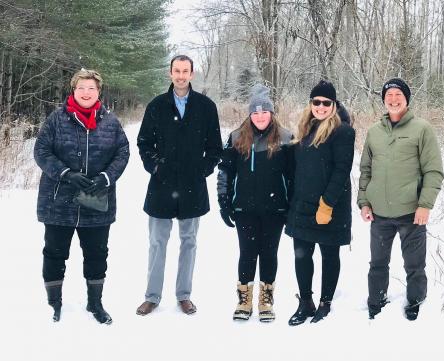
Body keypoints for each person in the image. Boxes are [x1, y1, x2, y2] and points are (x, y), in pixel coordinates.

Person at [34, 68, 130, 324]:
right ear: (73, 90)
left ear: (98, 92)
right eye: (81, 88)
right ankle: (54, 303)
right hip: (58, 201)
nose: (86, 93)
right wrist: (65, 173)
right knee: (54, 253)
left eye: (91, 88)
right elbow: (41, 151)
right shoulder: (57, 119)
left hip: (96, 201)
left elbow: (123, 153)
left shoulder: (110, 121)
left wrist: (106, 178)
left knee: (97, 254)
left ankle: (95, 303)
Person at [136, 55, 223, 316]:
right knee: (157, 243)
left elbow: (215, 148)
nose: (181, 76)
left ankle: (184, 295)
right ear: (170, 73)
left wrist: (202, 170)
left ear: (192, 74)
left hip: (192, 186)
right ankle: (152, 296)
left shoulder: (206, 107)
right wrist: (156, 167)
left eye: (186, 71)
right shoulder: (157, 106)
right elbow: (143, 143)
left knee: (189, 242)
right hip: (161, 186)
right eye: (177, 71)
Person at [357, 78, 443, 321]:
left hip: (411, 213)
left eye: (398, 95)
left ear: (406, 99)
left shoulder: (422, 129)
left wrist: (425, 204)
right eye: (389, 96)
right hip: (380, 214)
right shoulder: (374, 132)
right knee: (377, 264)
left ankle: (415, 302)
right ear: (383, 100)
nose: (393, 100)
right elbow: (365, 170)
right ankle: (376, 302)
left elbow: (433, 170)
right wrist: (364, 201)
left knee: (414, 266)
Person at [217, 84, 293, 322]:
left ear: (272, 113)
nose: (260, 116)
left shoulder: (286, 138)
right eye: (255, 112)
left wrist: (293, 206)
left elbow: (294, 176)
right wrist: (224, 200)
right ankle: (244, 298)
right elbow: (225, 172)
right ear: (250, 114)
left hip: (275, 209)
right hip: (244, 209)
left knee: (269, 253)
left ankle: (266, 298)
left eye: (264, 112)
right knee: (247, 253)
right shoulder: (237, 137)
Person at [285, 80, 355, 326]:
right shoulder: (305, 129)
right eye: (317, 102)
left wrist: (327, 204)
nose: (321, 106)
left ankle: (325, 303)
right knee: (302, 255)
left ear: (334, 105)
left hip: (330, 205)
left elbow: (341, 170)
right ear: (311, 104)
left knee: (329, 254)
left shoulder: (343, 131)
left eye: (327, 103)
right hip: (303, 204)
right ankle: (305, 302)